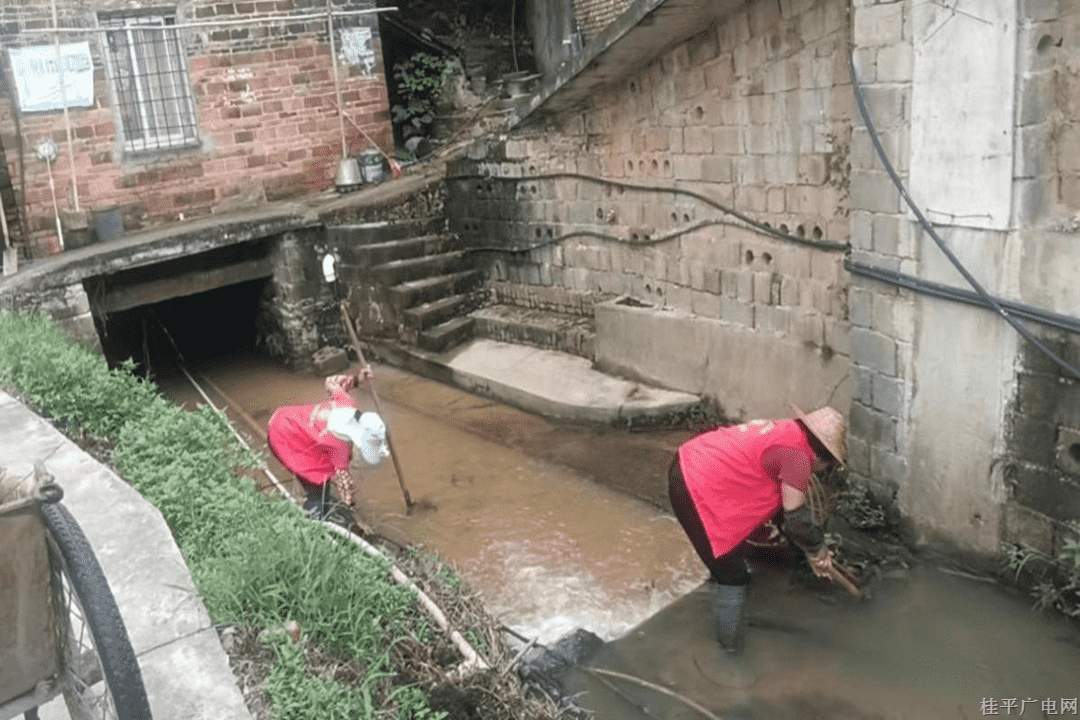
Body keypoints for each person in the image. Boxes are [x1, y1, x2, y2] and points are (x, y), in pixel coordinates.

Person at [668, 405, 847, 655]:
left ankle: (716, 594)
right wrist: (818, 549)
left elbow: (785, 515)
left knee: (732, 551)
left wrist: (810, 552)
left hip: (691, 458)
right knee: (733, 574)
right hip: (694, 483)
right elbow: (796, 519)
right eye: (827, 467)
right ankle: (729, 651)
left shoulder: (787, 430)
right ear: (823, 457)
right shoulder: (797, 458)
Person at [267, 369, 389, 525]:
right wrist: (353, 510)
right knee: (318, 484)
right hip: (283, 438)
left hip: (283, 417)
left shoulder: (346, 404)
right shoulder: (340, 446)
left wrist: (357, 379)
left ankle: (323, 513)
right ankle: (314, 525)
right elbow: (345, 487)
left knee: (324, 468)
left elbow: (332, 382)